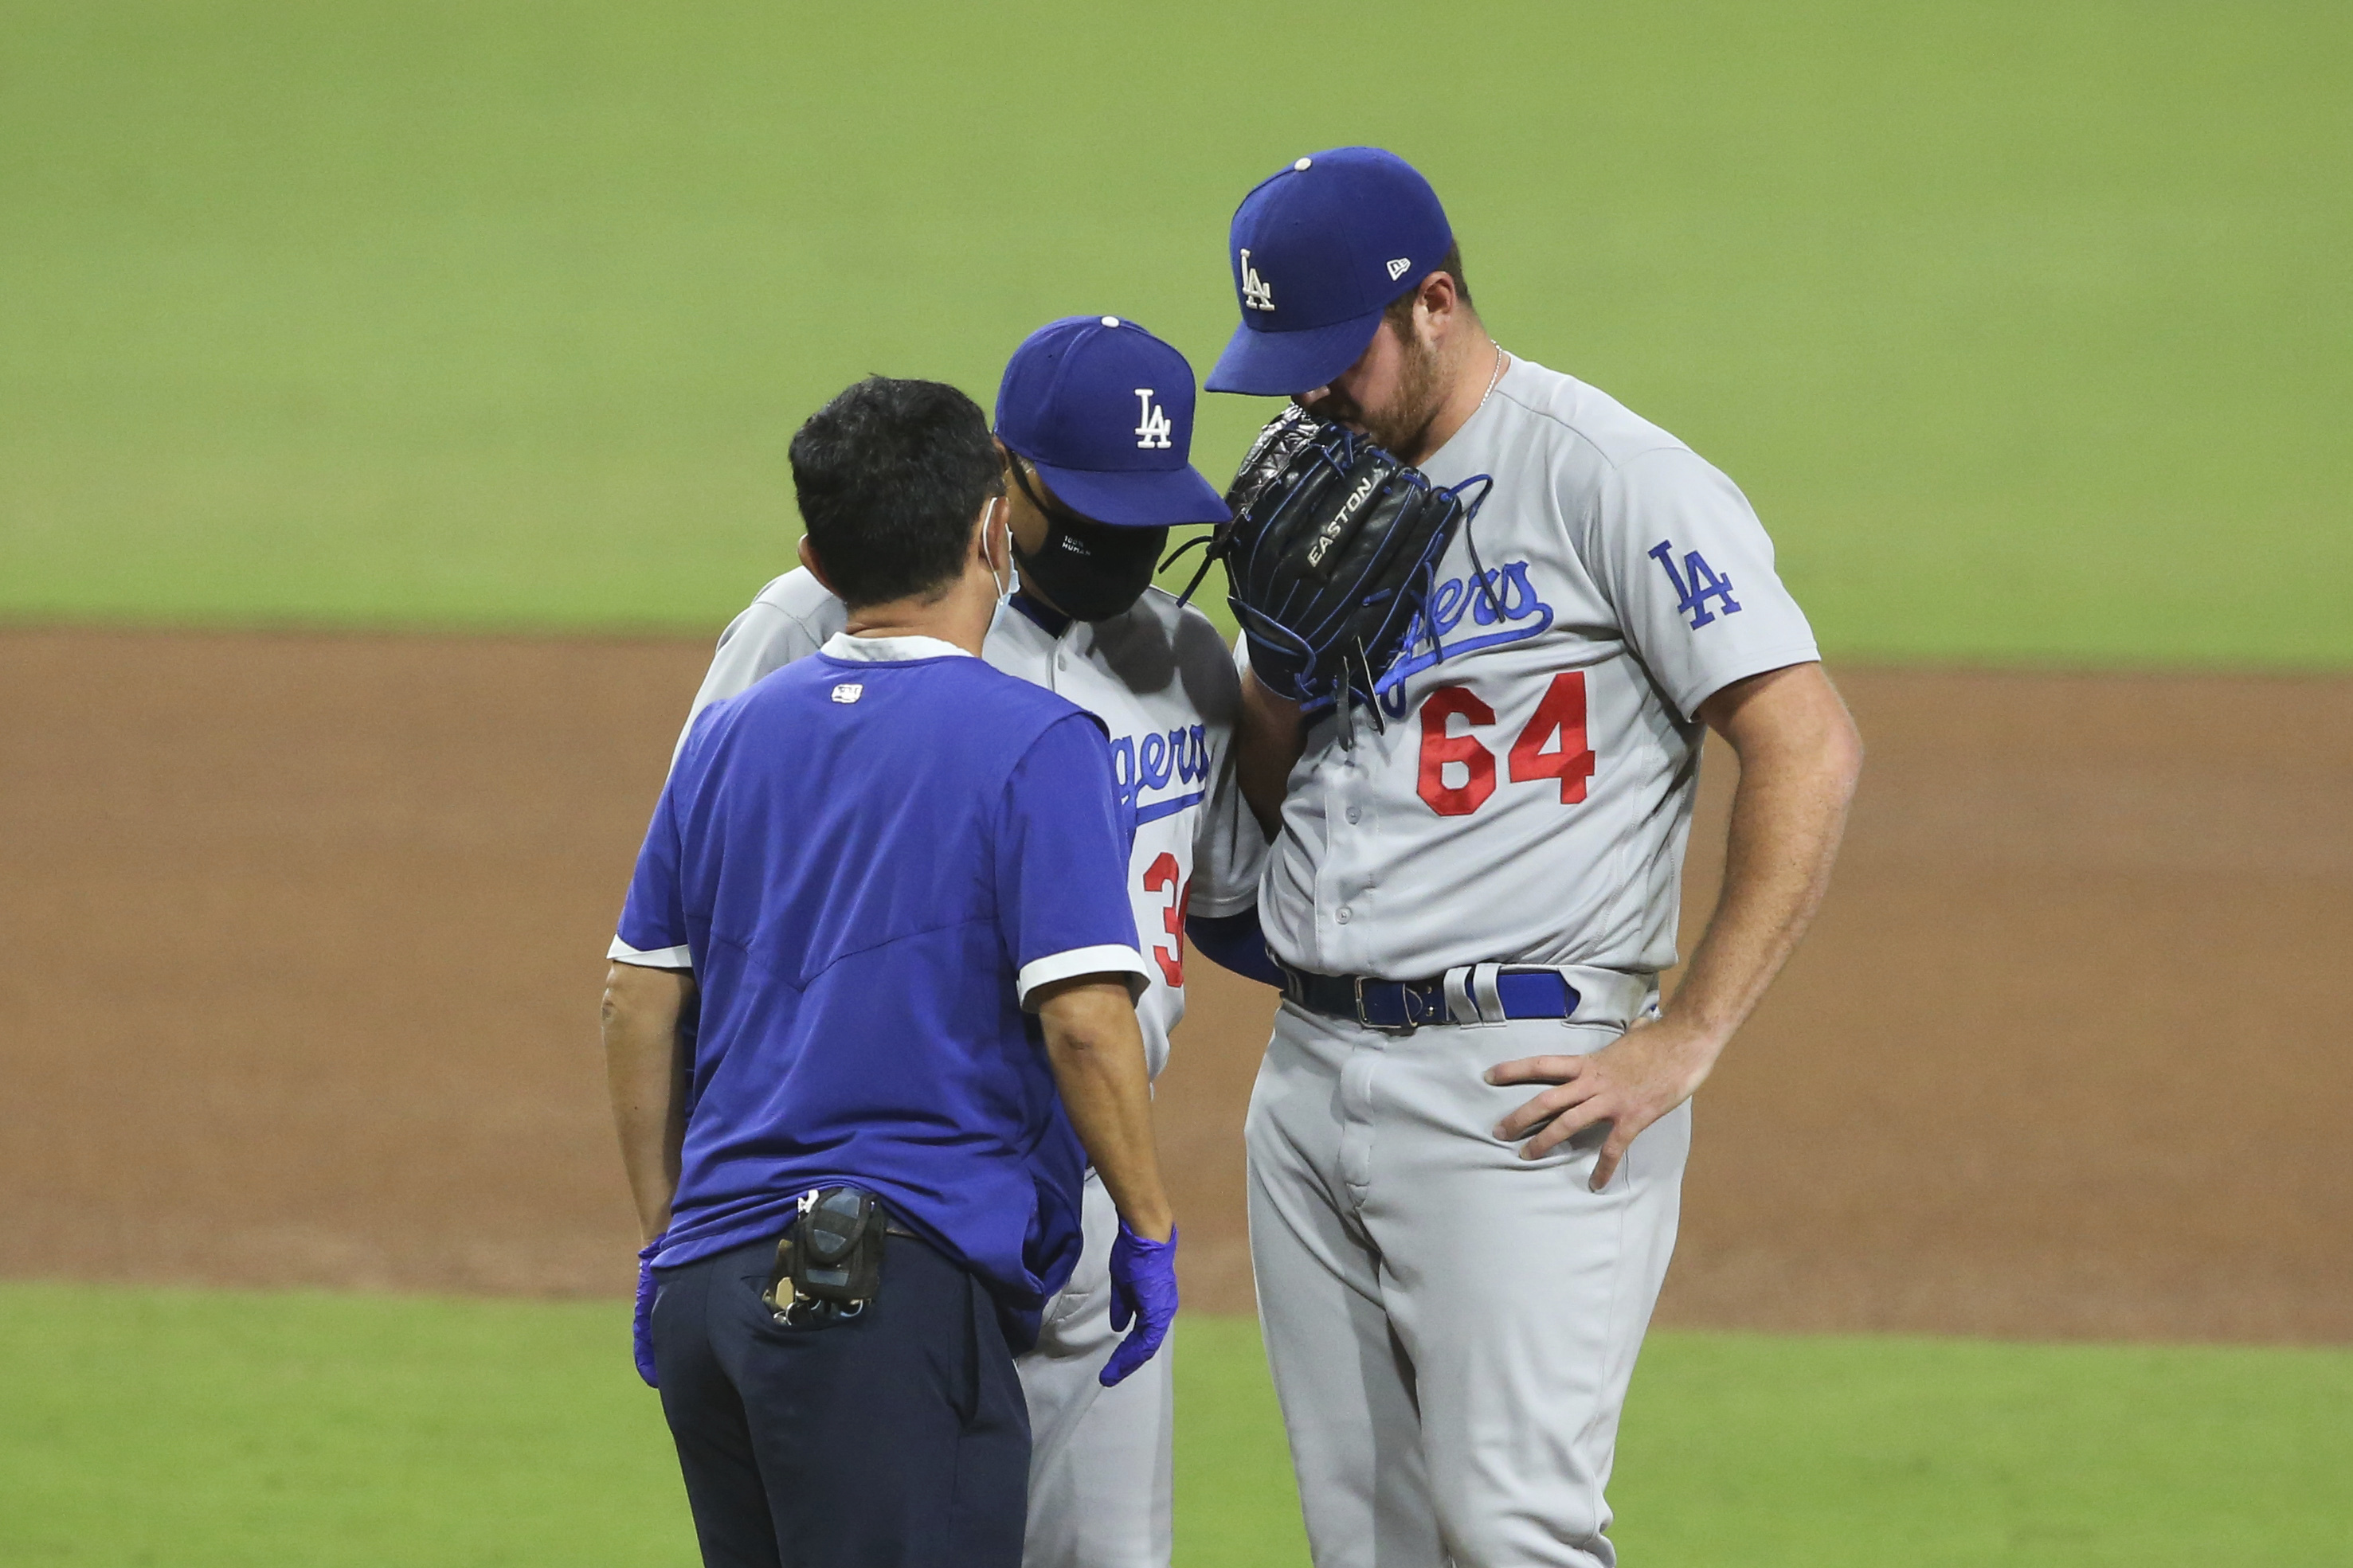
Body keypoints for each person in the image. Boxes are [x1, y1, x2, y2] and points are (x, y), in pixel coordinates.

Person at [1203, 147, 1866, 1567]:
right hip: (1309, 1071)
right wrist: (1274, 669)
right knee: (1365, 1541)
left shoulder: (1610, 476)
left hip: (1520, 1091)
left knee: (1511, 1529)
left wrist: (1683, 1036)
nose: (1307, 395)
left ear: (1433, 304)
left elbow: (1805, 742)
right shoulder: (1318, 485)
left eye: (1332, 358)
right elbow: (1283, 792)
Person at [668, 315, 1274, 1568]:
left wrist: (1296, 702)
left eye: (1146, 513)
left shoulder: (1191, 654)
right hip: (880, 1188)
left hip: (1097, 1178)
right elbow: (681, 906)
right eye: (1087, 508)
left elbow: (1236, 911)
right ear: (1007, 480)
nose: (1118, 543)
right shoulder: (823, 616)